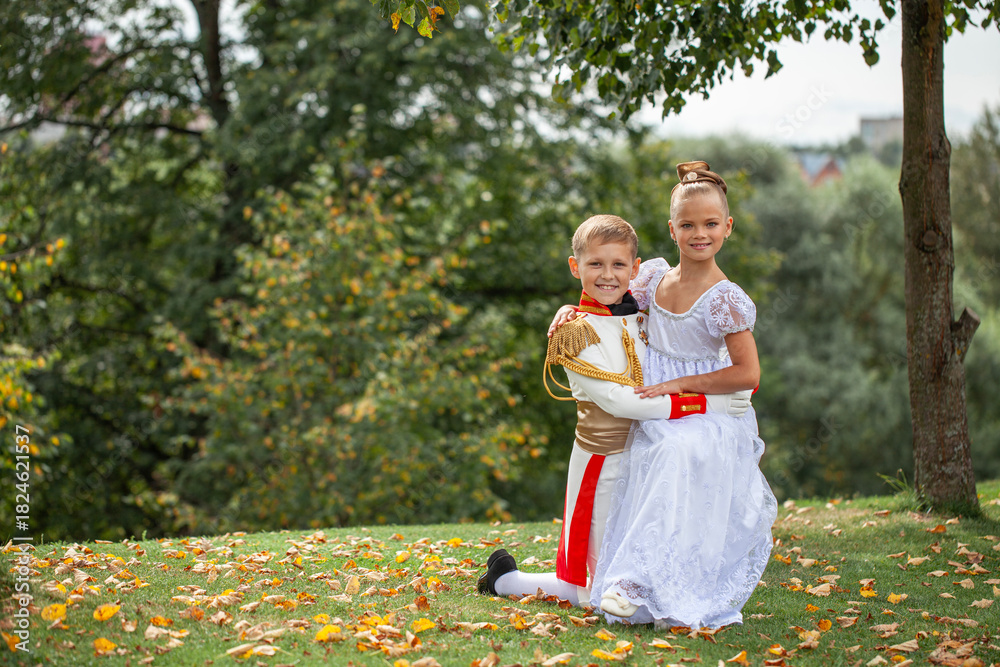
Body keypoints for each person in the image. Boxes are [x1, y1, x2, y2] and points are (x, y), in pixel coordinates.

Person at [476, 213, 752, 607]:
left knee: (637, 561)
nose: (608, 275)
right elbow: (621, 402)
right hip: (602, 463)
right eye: (595, 264)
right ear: (576, 267)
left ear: (635, 269)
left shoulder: (642, 314)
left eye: (618, 265)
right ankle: (505, 581)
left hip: (649, 455)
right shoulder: (574, 332)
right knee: (597, 587)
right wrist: (710, 402)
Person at [588, 161, 777, 629]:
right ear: (671, 229)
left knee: (672, 449)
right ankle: (636, 582)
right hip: (656, 403)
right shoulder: (652, 280)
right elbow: (604, 297)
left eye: (711, 224)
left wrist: (680, 384)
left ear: (727, 228)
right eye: (688, 225)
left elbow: (748, 373)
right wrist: (566, 313)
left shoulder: (724, 297)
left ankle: (631, 583)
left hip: (708, 414)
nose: (700, 233)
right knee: (654, 445)